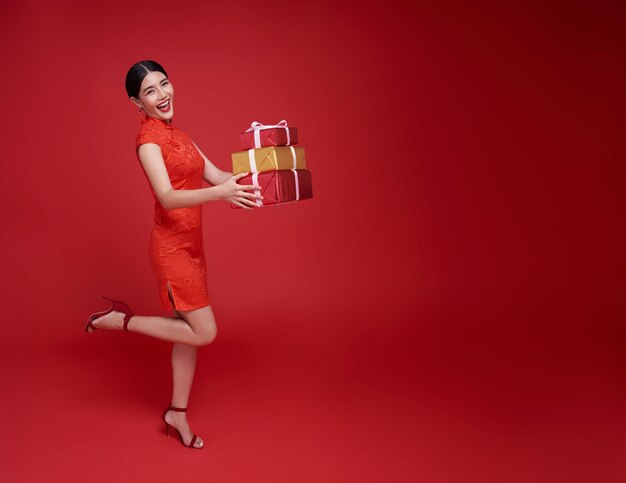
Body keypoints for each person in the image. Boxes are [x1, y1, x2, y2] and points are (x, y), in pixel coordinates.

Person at [84, 60, 262, 449]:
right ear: (136, 101)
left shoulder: (180, 134)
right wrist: (221, 195)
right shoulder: (148, 141)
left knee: (189, 336)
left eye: (164, 84)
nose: (162, 95)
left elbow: (218, 177)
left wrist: (264, 167)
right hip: (170, 248)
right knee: (204, 332)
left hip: (193, 247)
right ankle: (120, 321)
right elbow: (166, 197)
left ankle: (176, 413)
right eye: (150, 91)